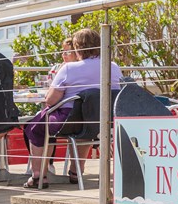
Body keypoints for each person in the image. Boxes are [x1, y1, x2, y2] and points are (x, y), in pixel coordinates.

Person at [24, 28, 123, 188]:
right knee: (84, 127)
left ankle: (38, 176)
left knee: (36, 127)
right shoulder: (113, 66)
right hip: (102, 121)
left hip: (70, 120)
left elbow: (50, 100)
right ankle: (76, 172)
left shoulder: (70, 68)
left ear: (77, 47)